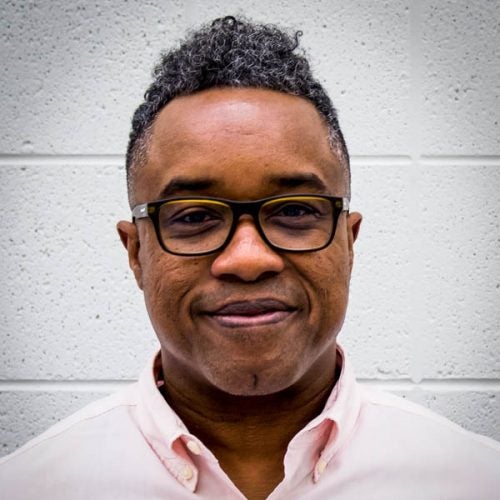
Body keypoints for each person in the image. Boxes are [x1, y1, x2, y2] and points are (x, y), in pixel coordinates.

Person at [0, 15, 499, 500]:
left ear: (348, 243)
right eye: (194, 217)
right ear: (136, 254)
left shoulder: (474, 480)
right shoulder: (31, 486)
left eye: (296, 210)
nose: (247, 258)